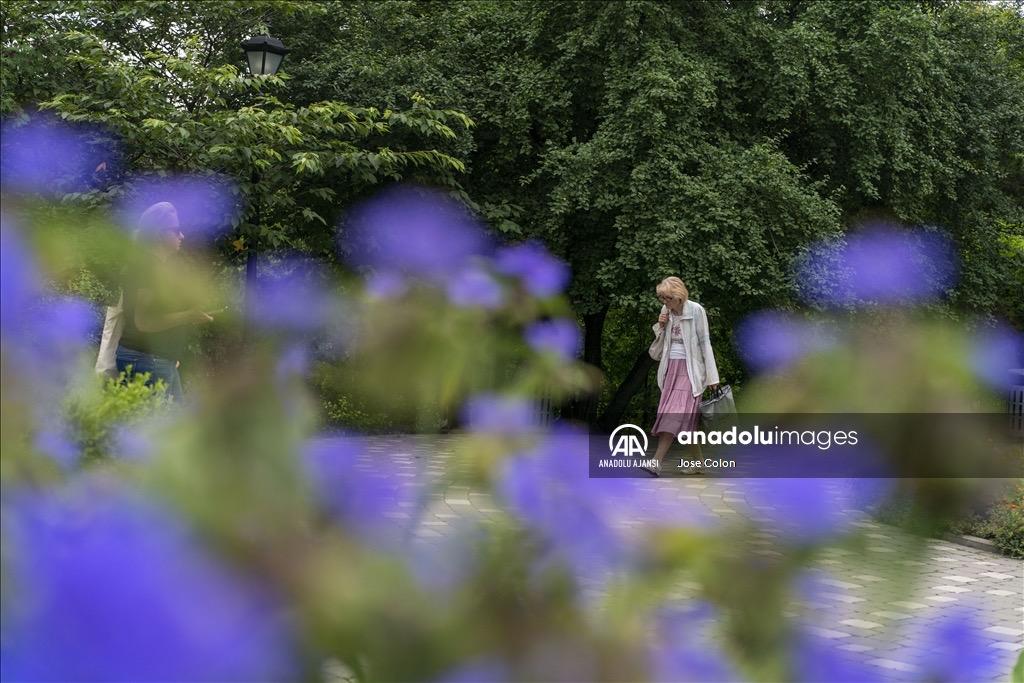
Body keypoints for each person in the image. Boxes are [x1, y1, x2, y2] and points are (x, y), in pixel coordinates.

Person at [114, 202, 214, 401]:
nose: (181, 236)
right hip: (147, 359)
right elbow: (144, 321)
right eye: (176, 231)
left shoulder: (148, 264)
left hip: (154, 358)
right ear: (160, 235)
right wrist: (188, 316)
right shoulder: (149, 268)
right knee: (160, 419)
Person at [649, 276, 720, 473]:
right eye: (662, 298)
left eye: (668, 298)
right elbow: (660, 346)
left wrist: (712, 376)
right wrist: (661, 326)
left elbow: (705, 343)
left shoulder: (696, 310)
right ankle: (699, 464)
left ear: (679, 296)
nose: (665, 302)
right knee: (685, 423)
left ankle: (656, 462)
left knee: (673, 415)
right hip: (670, 368)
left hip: (691, 371)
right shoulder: (665, 311)